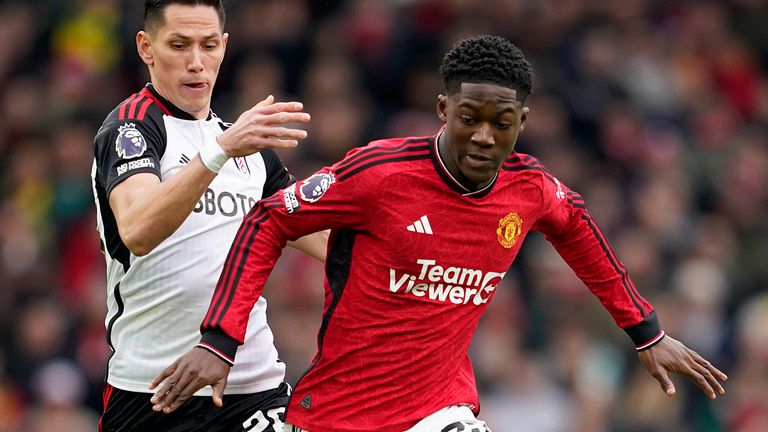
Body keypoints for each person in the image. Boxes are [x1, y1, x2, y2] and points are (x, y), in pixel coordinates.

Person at [149, 35, 727, 431]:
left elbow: (578, 228)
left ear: (521, 122)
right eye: (468, 119)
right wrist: (219, 340)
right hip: (337, 412)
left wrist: (645, 331)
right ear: (442, 110)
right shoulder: (380, 174)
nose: (483, 137)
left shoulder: (532, 190)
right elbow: (270, 217)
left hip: (439, 409)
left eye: (501, 124)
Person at [91, 1, 328, 431]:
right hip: (152, 393)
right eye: (179, 45)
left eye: (208, 46)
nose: (196, 63)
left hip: (253, 386)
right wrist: (218, 152)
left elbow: (328, 242)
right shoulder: (131, 127)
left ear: (224, 46)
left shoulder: (248, 148)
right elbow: (139, 230)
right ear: (146, 47)